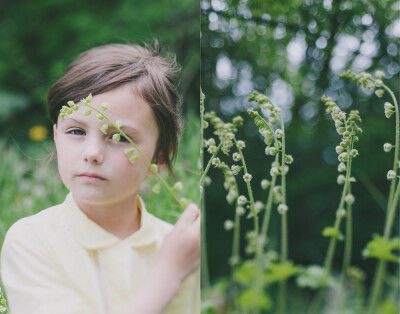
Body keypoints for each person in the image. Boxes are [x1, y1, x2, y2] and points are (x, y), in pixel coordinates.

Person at [0, 43, 200, 314]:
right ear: (56, 137)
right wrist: (170, 273)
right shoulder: (31, 242)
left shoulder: (182, 246)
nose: (93, 153)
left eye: (119, 137)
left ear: (160, 157)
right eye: (76, 131)